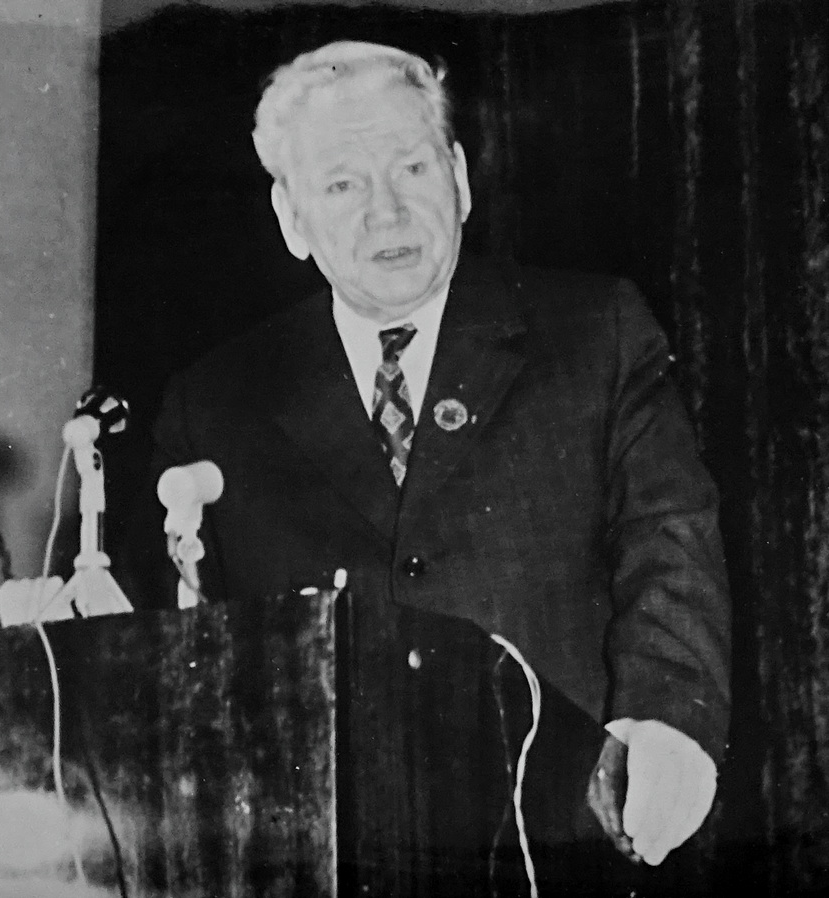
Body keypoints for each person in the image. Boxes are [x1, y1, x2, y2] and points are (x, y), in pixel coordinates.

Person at [140, 40, 731, 877]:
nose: (386, 213)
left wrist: (669, 723)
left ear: (458, 178)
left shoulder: (596, 332)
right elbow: (178, 644)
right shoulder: (213, 402)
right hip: (319, 859)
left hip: (560, 844)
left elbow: (669, 541)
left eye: (411, 168)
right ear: (291, 217)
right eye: (342, 185)